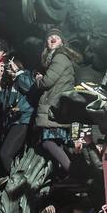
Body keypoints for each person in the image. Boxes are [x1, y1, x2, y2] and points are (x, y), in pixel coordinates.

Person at [34, 29, 79, 176]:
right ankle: (68, 175)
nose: (53, 39)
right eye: (50, 37)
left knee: (48, 143)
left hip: (55, 108)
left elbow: (47, 82)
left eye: (57, 37)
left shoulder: (59, 57)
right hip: (59, 108)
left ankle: (73, 173)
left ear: (62, 42)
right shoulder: (58, 58)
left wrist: (38, 79)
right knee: (58, 144)